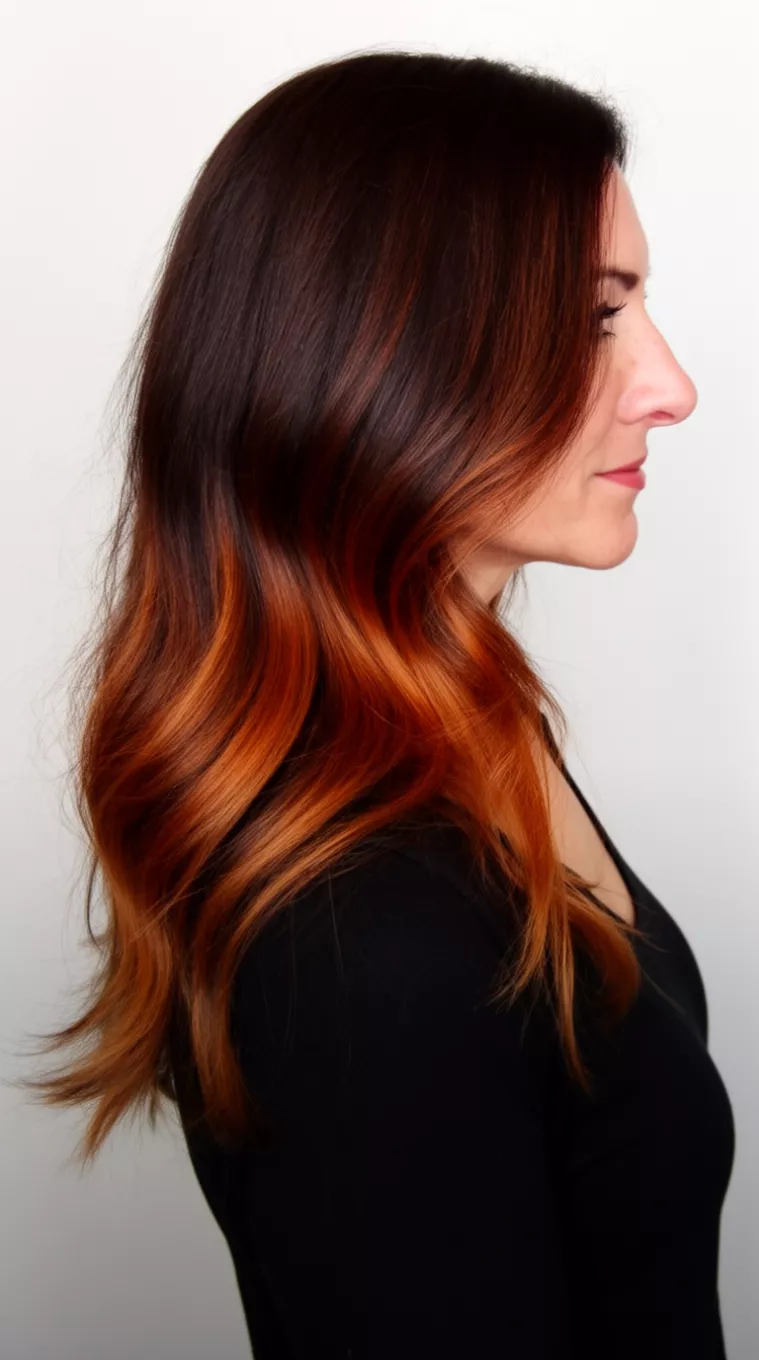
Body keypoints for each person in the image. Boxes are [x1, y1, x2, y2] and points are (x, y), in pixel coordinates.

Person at [18, 49, 734, 1358]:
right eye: (592, 318)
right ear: (384, 360)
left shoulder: (469, 724)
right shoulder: (364, 942)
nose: (671, 387)